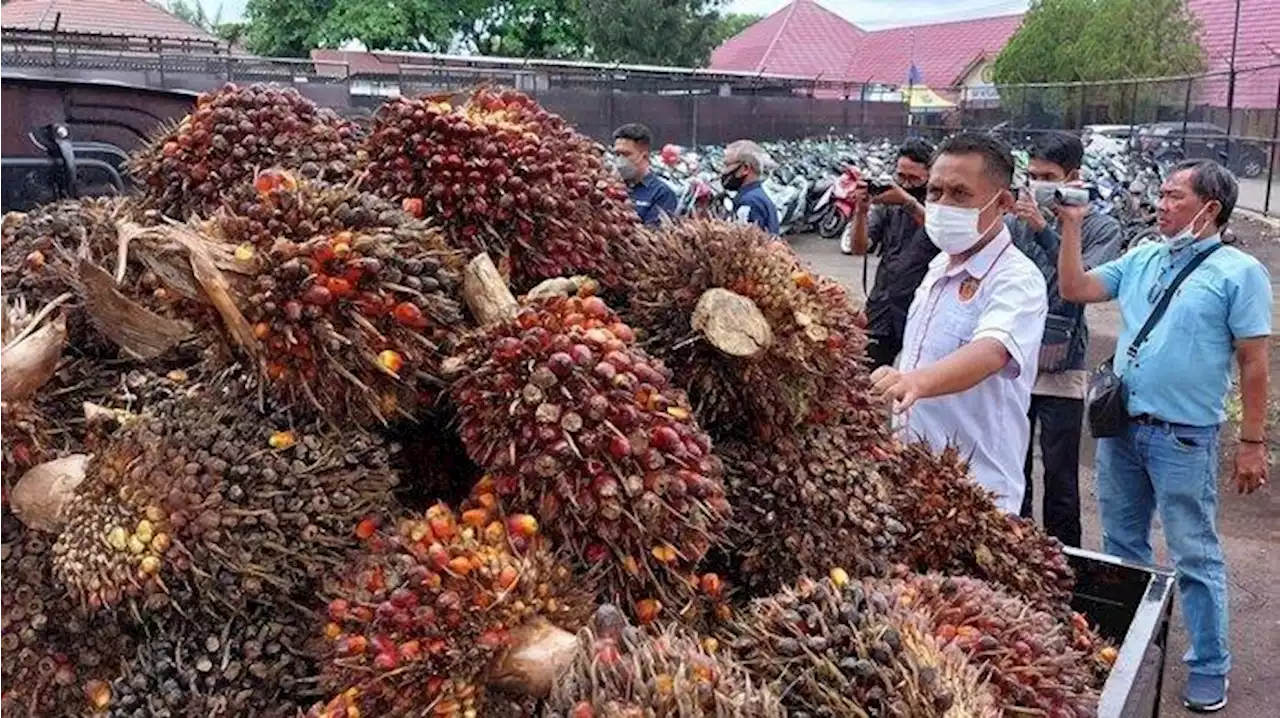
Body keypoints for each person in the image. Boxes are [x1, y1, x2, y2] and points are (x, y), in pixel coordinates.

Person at [1058, 159, 1271, 713]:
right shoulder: (1144, 255)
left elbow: (1253, 363)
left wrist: (1252, 442)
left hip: (1184, 438)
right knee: (1122, 547)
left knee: (1193, 553)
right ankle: (1125, 646)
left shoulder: (1238, 272)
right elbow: (1076, 287)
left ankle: (1208, 665)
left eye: (1174, 196)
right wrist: (1073, 225)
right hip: (1122, 429)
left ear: (1210, 209)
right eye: (1161, 193)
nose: (1161, 203)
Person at [870, 133, 1047, 514]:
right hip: (914, 477)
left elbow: (991, 351)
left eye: (960, 194)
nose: (942, 204)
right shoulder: (939, 266)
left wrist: (914, 382)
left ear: (1003, 203)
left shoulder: (1017, 279)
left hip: (976, 493)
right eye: (935, 192)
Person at [1006, 131, 1123, 548]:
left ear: (1073, 176)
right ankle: (1014, 552)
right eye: (1031, 174)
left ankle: (1064, 561)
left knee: (1059, 473)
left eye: (1047, 176)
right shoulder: (1016, 219)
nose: (1036, 184)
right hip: (1011, 363)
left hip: (1063, 364)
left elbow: (1083, 284)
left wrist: (1044, 230)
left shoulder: (1101, 226)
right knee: (1011, 468)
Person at [845, 138, 937, 369]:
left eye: (914, 178)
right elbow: (859, 248)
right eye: (901, 177)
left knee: (919, 379)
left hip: (923, 308)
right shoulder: (889, 204)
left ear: (930, 174)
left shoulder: (941, 203)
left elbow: (944, 235)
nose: (906, 184)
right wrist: (861, 212)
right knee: (864, 374)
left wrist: (907, 202)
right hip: (884, 304)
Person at [612, 123, 677, 227]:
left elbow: (654, 236)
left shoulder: (662, 193)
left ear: (644, 156)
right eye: (617, 154)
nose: (620, 160)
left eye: (626, 154)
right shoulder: (612, 188)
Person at [722, 139, 779, 235]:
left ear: (745, 168)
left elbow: (745, 244)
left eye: (727, 165)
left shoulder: (749, 202)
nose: (724, 171)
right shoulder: (757, 195)